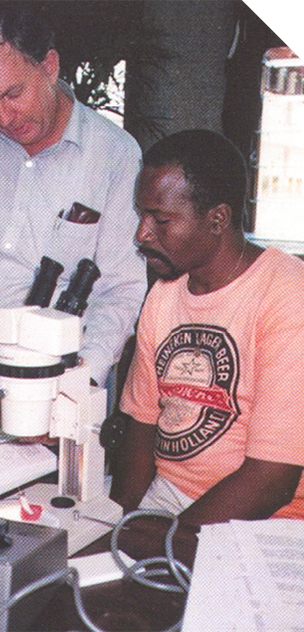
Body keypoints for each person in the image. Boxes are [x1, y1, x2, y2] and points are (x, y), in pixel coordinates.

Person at [0, 0, 146, 425]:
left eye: (13, 93)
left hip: (68, 371)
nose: (2, 117)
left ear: (50, 66)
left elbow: (121, 289)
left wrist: (77, 385)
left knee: (62, 492)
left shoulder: (114, 155)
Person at [110, 130, 304, 534]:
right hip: (168, 500)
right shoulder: (165, 294)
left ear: (217, 219)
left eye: (161, 220)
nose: (141, 234)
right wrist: (116, 525)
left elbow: (271, 482)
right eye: (141, 215)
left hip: (265, 517)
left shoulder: (286, 295)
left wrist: (162, 544)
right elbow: (142, 427)